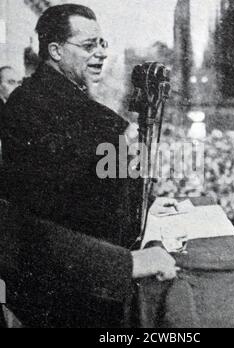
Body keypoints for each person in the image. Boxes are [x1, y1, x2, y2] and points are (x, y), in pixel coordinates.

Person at [0, 4, 178, 328]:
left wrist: (144, 198)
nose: (100, 54)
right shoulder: (27, 107)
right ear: (54, 50)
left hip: (89, 279)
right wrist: (119, 152)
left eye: (102, 44)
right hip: (64, 296)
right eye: (88, 46)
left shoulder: (71, 102)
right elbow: (52, 206)